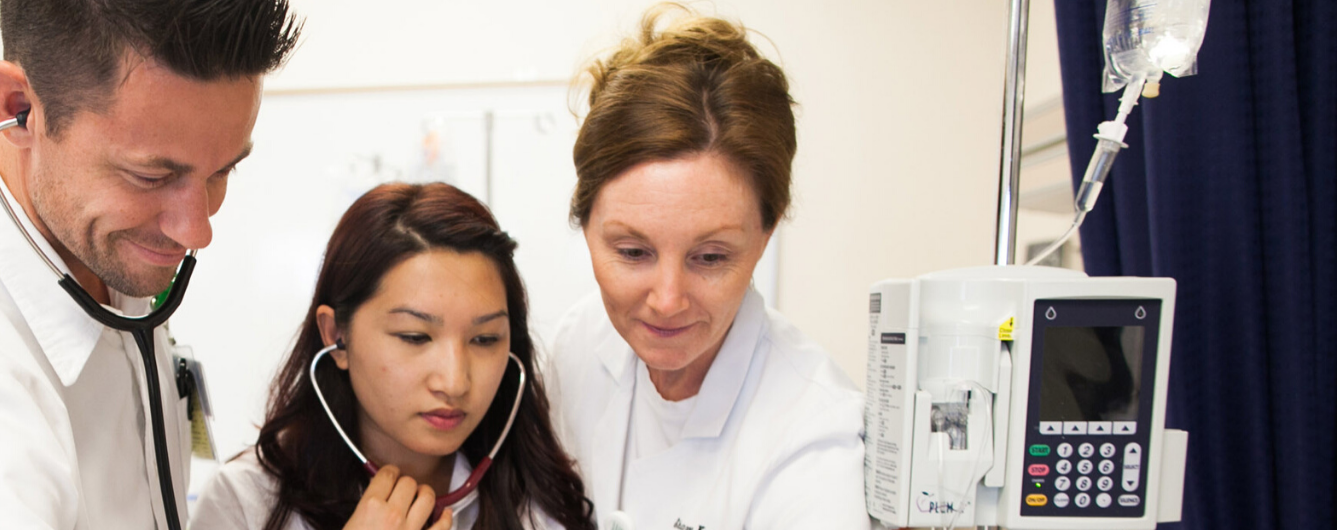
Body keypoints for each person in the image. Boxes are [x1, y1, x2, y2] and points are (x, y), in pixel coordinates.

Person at [0, 1, 300, 528]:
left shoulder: (94, 247)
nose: (196, 230)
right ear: (18, 106)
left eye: (222, 170)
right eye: (150, 177)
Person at [544, 5, 868, 530]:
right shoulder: (576, 347)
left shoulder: (812, 434)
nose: (667, 299)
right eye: (632, 252)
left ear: (766, 232)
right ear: (585, 225)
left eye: (710, 258)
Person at [191, 183, 599, 530]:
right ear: (337, 336)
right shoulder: (245, 504)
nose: (455, 382)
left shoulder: (547, 502)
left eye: (485, 339)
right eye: (415, 336)